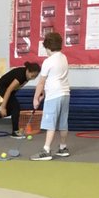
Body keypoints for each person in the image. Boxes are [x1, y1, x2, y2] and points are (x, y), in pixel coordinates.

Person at [30, 32, 71, 161]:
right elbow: (54, 79)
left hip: (54, 96)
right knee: (63, 123)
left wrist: (35, 99)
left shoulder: (48, 61)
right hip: (65, 94)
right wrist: (43, 94)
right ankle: (63, 148)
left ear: (48, 47)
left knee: (50, 124)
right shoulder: (64, 57)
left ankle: (46, 150)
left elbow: (41, 82)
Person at [0, 61, 40, 135]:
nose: (33, 78)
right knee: (16, 108)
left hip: (10, 89)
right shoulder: (21, 76)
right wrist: (3, 107)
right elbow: (8, 90)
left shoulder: (27, 75)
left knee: (12, 110)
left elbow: (16, 88)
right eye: (32, 76)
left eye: (35, 76)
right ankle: (15, 131)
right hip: (2, 87)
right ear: (28, 71)